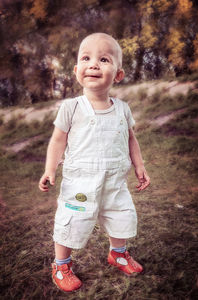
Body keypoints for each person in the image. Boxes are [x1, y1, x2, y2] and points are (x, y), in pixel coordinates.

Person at [39, 32, 150, 293]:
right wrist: (50, 170)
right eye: (86, 58)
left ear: (118, 74)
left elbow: (130, 138)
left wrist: (140, 165)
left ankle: (118, 253)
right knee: (70, 220)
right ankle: (61, 264)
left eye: (103, 59)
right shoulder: (71, 107)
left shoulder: (123, 108)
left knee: (120, 215)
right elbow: (57, 141)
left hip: (115, 180)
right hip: (80, 181)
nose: (94, 64)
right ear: (77, 70)